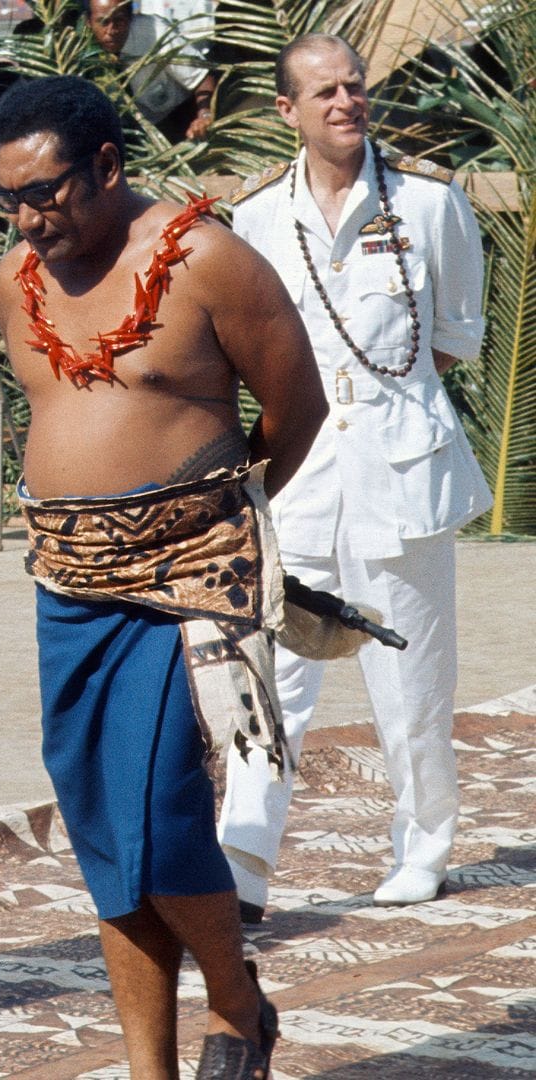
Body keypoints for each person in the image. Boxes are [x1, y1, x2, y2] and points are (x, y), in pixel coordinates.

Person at [0, 75, 326, 1078]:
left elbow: (295, 406)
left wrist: (205, 509)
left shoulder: (209, 261)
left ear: (107, 165)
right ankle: (150, 1069)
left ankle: (232, 999)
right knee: (104, 831)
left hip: (189, 578)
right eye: (11, 197)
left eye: (49, 191)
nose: (31, 216)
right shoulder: (19, 278)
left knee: (160, 814)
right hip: (68, 588)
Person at [218, 33, 492, 919]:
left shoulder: (427, 202)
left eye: (355, 86)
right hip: (298, 475)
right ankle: (244, 863)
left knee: (412, 682)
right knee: (270, 676)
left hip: (400, 470)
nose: (346, 103)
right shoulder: (257, 217)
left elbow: (451, 339)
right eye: (324, 92)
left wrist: (381, 409)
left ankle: (423, 847)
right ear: (285, 111)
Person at [86, 0, 217, 142]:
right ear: (88, 22)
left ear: (131, 17)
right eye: (103, 22)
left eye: (119, 20)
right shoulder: (81, 54)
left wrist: (204, 116)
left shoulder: (153, 31)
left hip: (185, 115)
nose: (111, 30)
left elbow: (202, 76)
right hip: (139, 135)